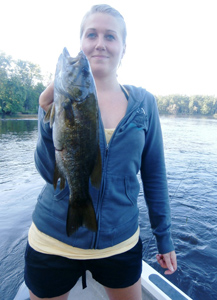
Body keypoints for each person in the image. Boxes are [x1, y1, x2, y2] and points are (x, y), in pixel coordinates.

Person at [24, 4, 177, 300]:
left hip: (120, 242)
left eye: (110, 36)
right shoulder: (56, 101)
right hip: (52, 240)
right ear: (82, 42)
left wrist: (164, 237)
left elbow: (155, 176)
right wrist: (46, 117)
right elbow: (47, 171)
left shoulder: (144, 103)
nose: (99, 44)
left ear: (123, 47)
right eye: (91, 34)